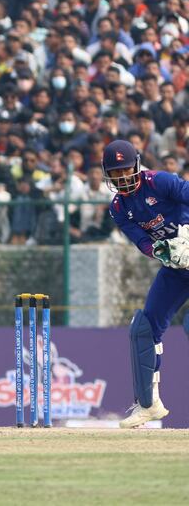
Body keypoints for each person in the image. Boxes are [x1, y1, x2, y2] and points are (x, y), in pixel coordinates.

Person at [104, 139, 189, 428]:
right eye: (115, 173)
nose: (122, 177)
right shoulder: (118, 207)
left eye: (126, 169)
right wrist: (159, 251)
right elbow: (140, 240)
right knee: (144, 328)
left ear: (137, 165)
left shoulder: (161, 182)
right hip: (175, 267)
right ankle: (148, 404)